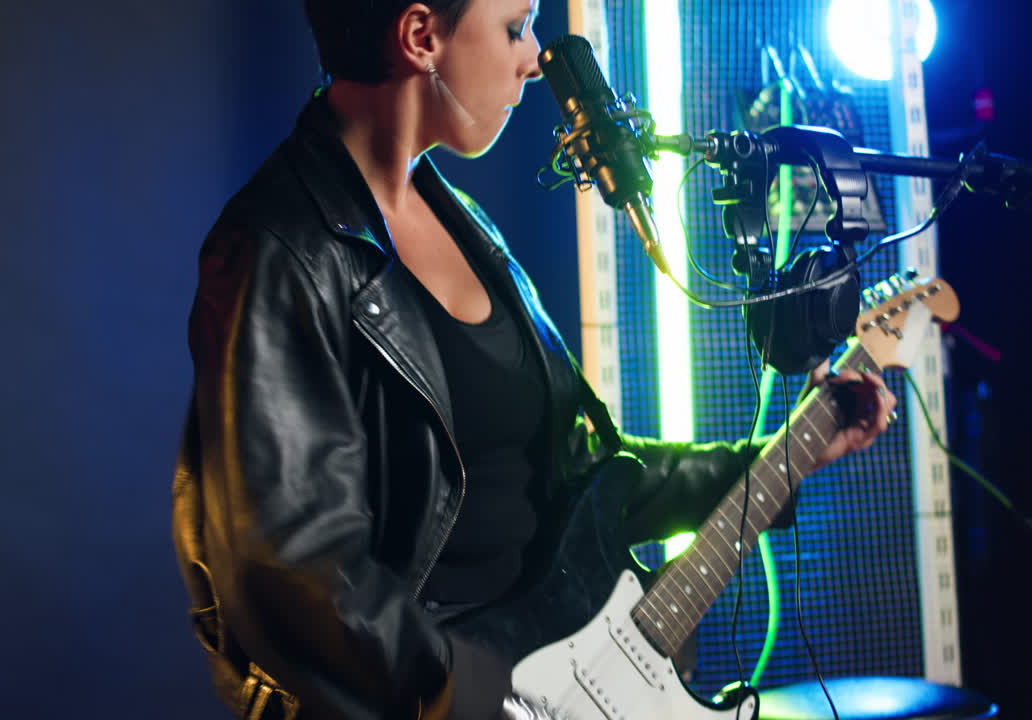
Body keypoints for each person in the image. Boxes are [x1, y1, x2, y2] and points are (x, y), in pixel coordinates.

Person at [173, 2, 897, 719]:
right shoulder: (276, 250)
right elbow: (291, 568)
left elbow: (582, 482)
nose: (534, 58)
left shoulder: (466, 226)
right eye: (516, 27)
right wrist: (478, 687)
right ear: (422, 35)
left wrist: (782, 456)